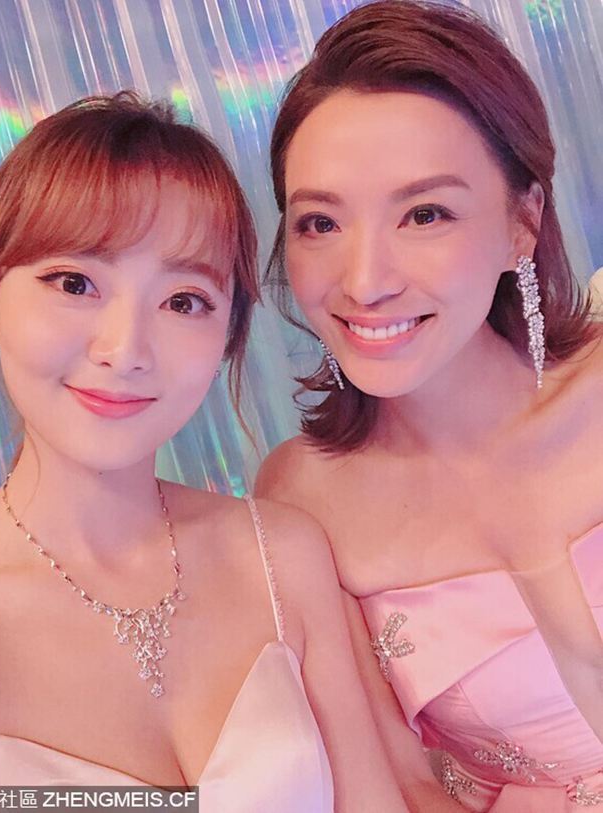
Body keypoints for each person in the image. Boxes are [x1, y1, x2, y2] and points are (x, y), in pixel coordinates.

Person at [0, 92, 405, 812]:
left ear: (228, 331)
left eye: (183, 301)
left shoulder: (281, 555)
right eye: (74, 283)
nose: (125, 349)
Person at [256, 1, 603, 810]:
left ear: (523, 222)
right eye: (320, 222)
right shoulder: (301, 499)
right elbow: (394, 785)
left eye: (424, 214)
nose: (365, 280)